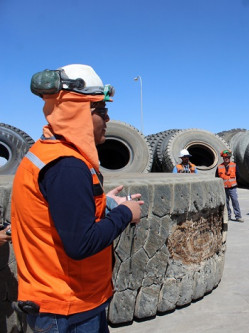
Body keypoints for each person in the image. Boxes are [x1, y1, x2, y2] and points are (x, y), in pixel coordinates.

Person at [10, 64, 144, 332]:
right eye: (101, 111)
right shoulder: (66, 165)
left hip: (73, 302)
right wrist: (126, 212)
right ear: (79, 112)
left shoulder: (53, 154)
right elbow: (81, 243)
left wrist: (103, 203)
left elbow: (60, 214)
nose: (108, 119)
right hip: (66, 308)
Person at [216, 149, 244, 222]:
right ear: (223, 158)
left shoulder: (234, 165)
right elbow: (217, 178)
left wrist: (234, 183)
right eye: (225, 157)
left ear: (230, 158)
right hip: (224, 188)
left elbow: (238, 176)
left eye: (228, 157)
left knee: (235, 201)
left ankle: (238, 216)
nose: (226, 159)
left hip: (232, 188)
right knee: (226, 202)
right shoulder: (219, 167)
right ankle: (228, 216)